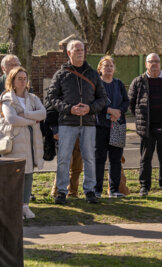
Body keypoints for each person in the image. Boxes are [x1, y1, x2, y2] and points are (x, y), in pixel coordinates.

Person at [47, 39, 108, 204]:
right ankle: (61, 191)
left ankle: (90, 191)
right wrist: (69, 109)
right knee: (64, 159)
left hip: (88, 123)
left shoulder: (93, 74)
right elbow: (51, 98)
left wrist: (90, 108)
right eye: (77, 49)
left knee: (89, 158)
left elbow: (103, 99)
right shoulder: (61, 74)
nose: (80, 52)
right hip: (67, 122)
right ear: (69, 53)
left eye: (82, 49)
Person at [128, 53, 162, 197]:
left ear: (160, 63)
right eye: (151, 61)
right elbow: (132, 104)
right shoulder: (138, 82)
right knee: (145, 159)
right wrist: (142, 118)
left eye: (157, 61)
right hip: (147, 128)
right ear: (146, 64)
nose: (154, 64)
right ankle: (144, 187)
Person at [0, 67, 46, 219]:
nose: (22, 81)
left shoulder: (33, 98)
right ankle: (13, 207)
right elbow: (11, 119)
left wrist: (25, 115)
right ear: (12, 80)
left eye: (24, 78)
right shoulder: (7, 98)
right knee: (15, 175)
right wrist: (32, 121)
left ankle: (25, 206)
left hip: (32, 141)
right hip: (15, 141)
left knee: (28, 174)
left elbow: (43, 113)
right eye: (19, 78)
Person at [94, 55, 129, 198]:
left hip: (118, 125)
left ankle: (114, 190)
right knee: (99, 158)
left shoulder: (119, 84)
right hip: (100, 126)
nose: (108, 68)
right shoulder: (96, 84)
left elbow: (126, 101)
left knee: (116, 159)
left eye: (111, 66)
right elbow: (95, 103)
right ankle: (97, 190)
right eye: (105, 65)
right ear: (100, 69)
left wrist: (118, 112)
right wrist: (109, 110)